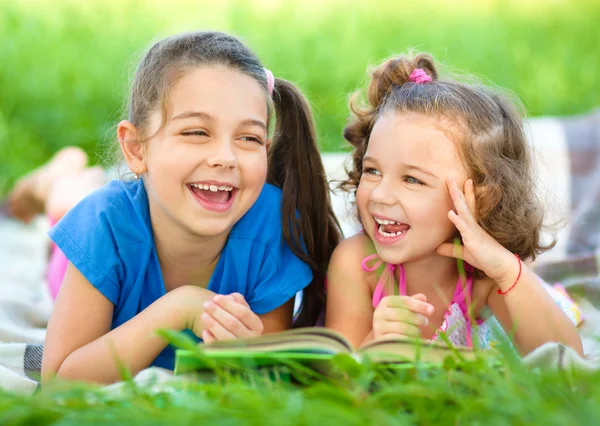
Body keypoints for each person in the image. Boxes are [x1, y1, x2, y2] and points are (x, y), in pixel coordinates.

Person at [37, 31, 341, 384]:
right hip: (78, 265)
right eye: (196, 132)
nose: (225, 158)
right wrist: (178, 308)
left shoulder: (273, 227)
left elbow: (260, 372)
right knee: (66, 200)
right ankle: (58, 172)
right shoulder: (102, 224)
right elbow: (58, 385)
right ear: (136, 149)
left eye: (248, 138)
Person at [325, 52, 583, 355]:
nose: (380, 194)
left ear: (483, 198)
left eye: (412, 180)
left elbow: (567, 361)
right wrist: (372, 346)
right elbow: (339, 376)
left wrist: (504, 269)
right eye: (372, 170)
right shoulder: (357, 262)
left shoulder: (484, 272)